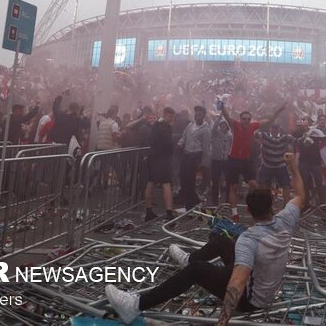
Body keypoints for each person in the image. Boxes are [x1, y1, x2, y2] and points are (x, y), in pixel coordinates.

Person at [105, 151, 305, 325]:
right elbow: (300, 194)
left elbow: (237, 283)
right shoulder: (285, 220)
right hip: (262, 281)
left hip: (250, 299)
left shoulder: (249, 239)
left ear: (250, 213)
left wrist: (221, 322)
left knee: (197, 271)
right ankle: (189, 259)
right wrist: (293, 167)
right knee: (220, 240)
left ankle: (135, 305)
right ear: (272, 207)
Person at [221, 102, 288, 222]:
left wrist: (280, 109)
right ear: (240, 119)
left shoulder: (253, 126)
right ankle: (234, 213)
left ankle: (249, 203)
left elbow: (269, 120)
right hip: (233, 159)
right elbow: (226, 116)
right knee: (234, 187)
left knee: (253, 184)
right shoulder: (235, 125)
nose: (246, 121)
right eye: (244, 119)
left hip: (246, 160)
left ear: (250, 120)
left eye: (248, 119)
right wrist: (222, 107)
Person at [144, 107, 176, 222]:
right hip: (162, 159)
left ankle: (148, 212)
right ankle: (169, 213)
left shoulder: (155, 125)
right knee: (166, 184)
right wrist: (171, 151)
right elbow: (169, 143)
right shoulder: (165, 126)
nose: (171, 119)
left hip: (152, 157)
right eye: (170, 116)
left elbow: (150, 139)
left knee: (151, 182)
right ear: (166, 114)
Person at [177, 106, 211, 210]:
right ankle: (193, 199)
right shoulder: (190, 125)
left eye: (200, 114)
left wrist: (204, 163)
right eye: (196, 114)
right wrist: (179, 143)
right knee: (183, 177)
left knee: (190, 180)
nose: (197, 116)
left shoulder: (206, 129)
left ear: (203, 116)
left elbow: (206, 147)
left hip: (195, 156)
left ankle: (190, 204)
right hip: (186, 154)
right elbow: (184, 136)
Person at [256, 123, 294, 205]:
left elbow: (294, 139)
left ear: (279, 129)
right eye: (273, 128)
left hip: (280, 165)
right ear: (270, 129)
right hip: (267, 164)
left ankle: (286, 205)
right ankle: (267, 204)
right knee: (264, 185)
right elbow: (255, 134)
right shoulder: (265, 135)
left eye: (276, 128)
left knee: (286, 185)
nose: (275, 130)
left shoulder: (284, 137)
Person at [210, 117, 232, 207]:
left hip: (226, 161)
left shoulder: (230, 136)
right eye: (222, 124)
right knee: (215, 181)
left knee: (228, 181)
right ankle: (214, 202)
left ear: (227, 126)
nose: (223, 126)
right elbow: (214, 128)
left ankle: (227, 201)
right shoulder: (216, 133)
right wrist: (218, 118)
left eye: (225, 124)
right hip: (216, 160)